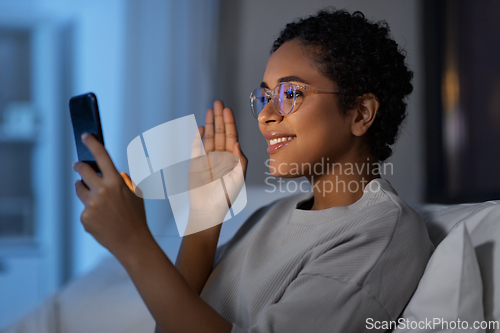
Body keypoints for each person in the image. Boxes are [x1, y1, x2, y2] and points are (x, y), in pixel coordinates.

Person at [72, 8, 434, 333]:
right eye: (264, 97)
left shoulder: (380, 232)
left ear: (360, 113)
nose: (265, 115)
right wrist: (204, 219)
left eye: (290, 93)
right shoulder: (270, 216)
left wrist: (133, 243)